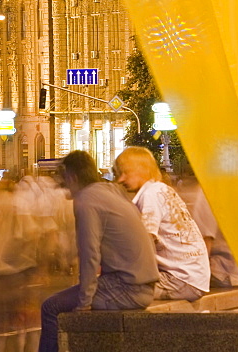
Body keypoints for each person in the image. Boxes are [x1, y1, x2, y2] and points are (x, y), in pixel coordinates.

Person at [39, 150, 158, 352]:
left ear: (72, 177)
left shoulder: (86, 200)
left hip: (127, 289)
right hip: (142, 284)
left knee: (50, 307)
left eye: (63, 178)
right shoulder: (110, 192)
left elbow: (89, 255)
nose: (63, 185)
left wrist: (84, 302)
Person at [114, 147, 209, 302]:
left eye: (125, 173)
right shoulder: (162, 189)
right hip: (192, 277)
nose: (120, 179)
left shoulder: (150, 195)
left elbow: (145, 241)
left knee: (111, 291)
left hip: (179, 280)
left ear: (142, 170)